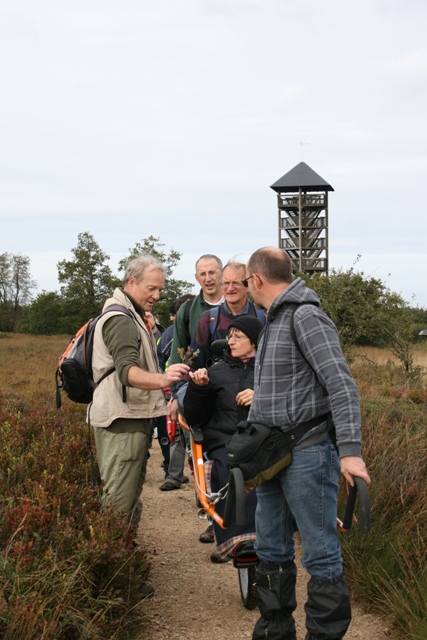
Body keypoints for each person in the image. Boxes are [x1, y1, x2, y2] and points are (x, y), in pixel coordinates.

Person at [244, 247, 370, 640]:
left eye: (247, 281)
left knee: (320, 554)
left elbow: (341, 385)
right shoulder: (272, 321)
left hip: (309, 454)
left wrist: (349, 453)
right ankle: (275, 631)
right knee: (271, 549)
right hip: (271, 457)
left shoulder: (306, 316)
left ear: (257, 280)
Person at [89, 255, 189, 596]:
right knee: (119, 502)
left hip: (127, 418)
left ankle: (119, 576)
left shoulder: (131, 315)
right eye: (152, 288)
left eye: (160, 289)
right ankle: (111, 585)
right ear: (131, 282)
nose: (157, 295)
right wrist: (163, 378)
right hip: (122, 419)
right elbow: (126, 372)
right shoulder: (121, 320)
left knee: (128, 499)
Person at [183, 315, 264, 563]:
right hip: (224, 440)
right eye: (230, 336)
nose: (231, 340)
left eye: (238, 336)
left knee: (268, 469)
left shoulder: (270, 373)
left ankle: (263, 538)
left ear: (255, 341)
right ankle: (237, 542)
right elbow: (194, 417)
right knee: (228, 468)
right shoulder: (214, 372)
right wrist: (199, 389)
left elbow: (288, 404)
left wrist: (260, 398)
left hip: (261, 438)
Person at [159, 254, 224, 494]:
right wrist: (176, 395)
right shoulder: (188, 311)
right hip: (199, 391)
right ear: (196, 278)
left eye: (212, 273)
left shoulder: (243, 304)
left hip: (235, 392)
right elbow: (179, 356)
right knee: (203, 450)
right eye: (203, 274)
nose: (208, 279)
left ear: (222, 273)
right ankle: (210, 515)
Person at [189, 261, 265, 371]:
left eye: (235, 283)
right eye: (225, 283)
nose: (230, 288)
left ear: (248, 285)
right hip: (218, 386)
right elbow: (194, 362)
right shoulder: (208, 320)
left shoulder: (263, 317)